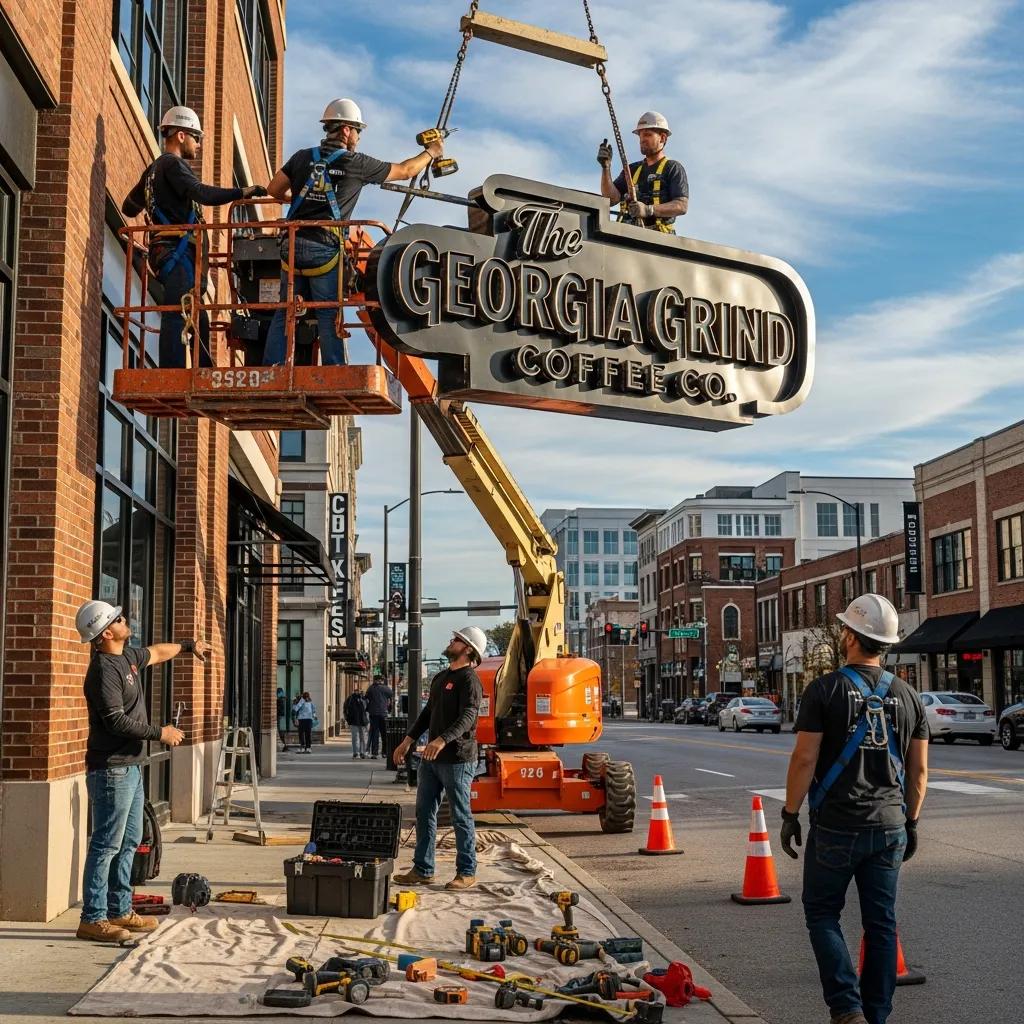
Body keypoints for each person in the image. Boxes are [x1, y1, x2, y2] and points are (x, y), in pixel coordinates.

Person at [780, 594, 928, 1024]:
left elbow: (805, 758)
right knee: (881, 923)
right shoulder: (909, 695)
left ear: (849, 636)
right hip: (889, 826)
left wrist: (791, 813)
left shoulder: (824, 690)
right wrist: (912, 821)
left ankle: (846, 1008)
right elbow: (918, 772)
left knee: (822, 912)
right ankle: (876, 1015)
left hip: (837, 826)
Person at [262, 98, 445, 366]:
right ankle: (335, 367)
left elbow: (273, 189)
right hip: (324, 250)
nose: (358, 137)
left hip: (291, 245)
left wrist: (304, 198)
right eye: (358, 131)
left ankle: (272, 368)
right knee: (328, 313)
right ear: (346, 130)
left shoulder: (302, 157)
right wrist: (431, 152)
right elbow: (406, 171)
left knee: (285, 311)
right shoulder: (355, 163)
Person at [74, 599, 209, 943]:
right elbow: (116, 720)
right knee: (106, 845)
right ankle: (93, 919)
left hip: (131, 768)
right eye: (118, 618)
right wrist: (159, 733)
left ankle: (119, 910)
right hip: (111, 770)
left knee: (130, 841)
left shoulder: (127, 657)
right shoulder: (105, 669)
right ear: (106, 633)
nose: (125, 619)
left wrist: (190, 646)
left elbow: (158, 652)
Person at [122, 106, 265, 368]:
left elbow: (128, 207)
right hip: (177, 253)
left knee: (196, 315)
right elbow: (202, 194)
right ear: (180, 135)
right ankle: (172, 374)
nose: (198, 144)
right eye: (195, 137)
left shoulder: (153, 171)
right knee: (178, 312)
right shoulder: (172, 164)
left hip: (172, 253)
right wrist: (243, 192)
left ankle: (204, 368)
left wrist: (153, 201)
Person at [393, 626, 485, 890]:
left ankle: (467, 872)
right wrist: (408, 740)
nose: (450, 641)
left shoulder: (470, 680)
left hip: (457, 760)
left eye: (456, 640)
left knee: (460, 815)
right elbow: (427, 714)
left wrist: (442, 740)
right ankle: (423, 869)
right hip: (431, 760)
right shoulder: (440, 677)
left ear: (467, 649)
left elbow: (468, 718)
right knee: (424, 813)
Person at [598, 111, 688, 233]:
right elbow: (611, 200)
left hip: (658, 240)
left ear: (662, 138)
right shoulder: (632, 170)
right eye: (640, 136)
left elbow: (681, 206)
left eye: (648, 135)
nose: (642, 140)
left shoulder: (672, 168)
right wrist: (605, 168)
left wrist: (648, 210)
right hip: (627, 236)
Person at [365, 676, 394, 759]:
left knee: (375, 733)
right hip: (383, 713)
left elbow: (366, 698)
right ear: (381, 680)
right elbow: (391, 695)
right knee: (384, 733)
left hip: (373, 714)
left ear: (375, 680)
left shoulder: (371, 688)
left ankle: (374, 753)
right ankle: (384, 752)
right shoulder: (385, 688)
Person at [344, 682, 370, 759]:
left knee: (361, 737)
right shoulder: (350, 699)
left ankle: (361, 752)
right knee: (356, 737)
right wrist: (347, 719)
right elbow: (345, 709)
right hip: (355, 721)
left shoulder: (363, 699)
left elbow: (366, 707)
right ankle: (356, 752)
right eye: (356, 690)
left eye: (359, 690)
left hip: (361, 721)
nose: (357, 691)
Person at [276, 687, 289, 751]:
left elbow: (280, 709)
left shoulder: (280, 699)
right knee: (280, 731)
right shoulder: (280, 700)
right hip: (279, 717)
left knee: (280, 731)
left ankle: (284, 746)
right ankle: (284, 746)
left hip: (279, 717)